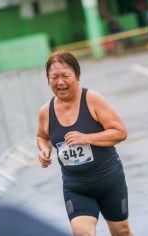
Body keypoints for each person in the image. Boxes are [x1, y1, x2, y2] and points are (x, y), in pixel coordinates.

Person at [37, 51, 133, 236]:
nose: (60, 82)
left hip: (109, 181)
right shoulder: (45, 111)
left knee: (121, 232)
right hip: (76, 187)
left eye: (65, 75)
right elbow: (42, 136)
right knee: (82, 233)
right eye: (54, 77)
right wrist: (44, 150)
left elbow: (120, 132)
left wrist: (87, 138)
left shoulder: (92, 99)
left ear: (77, 76)